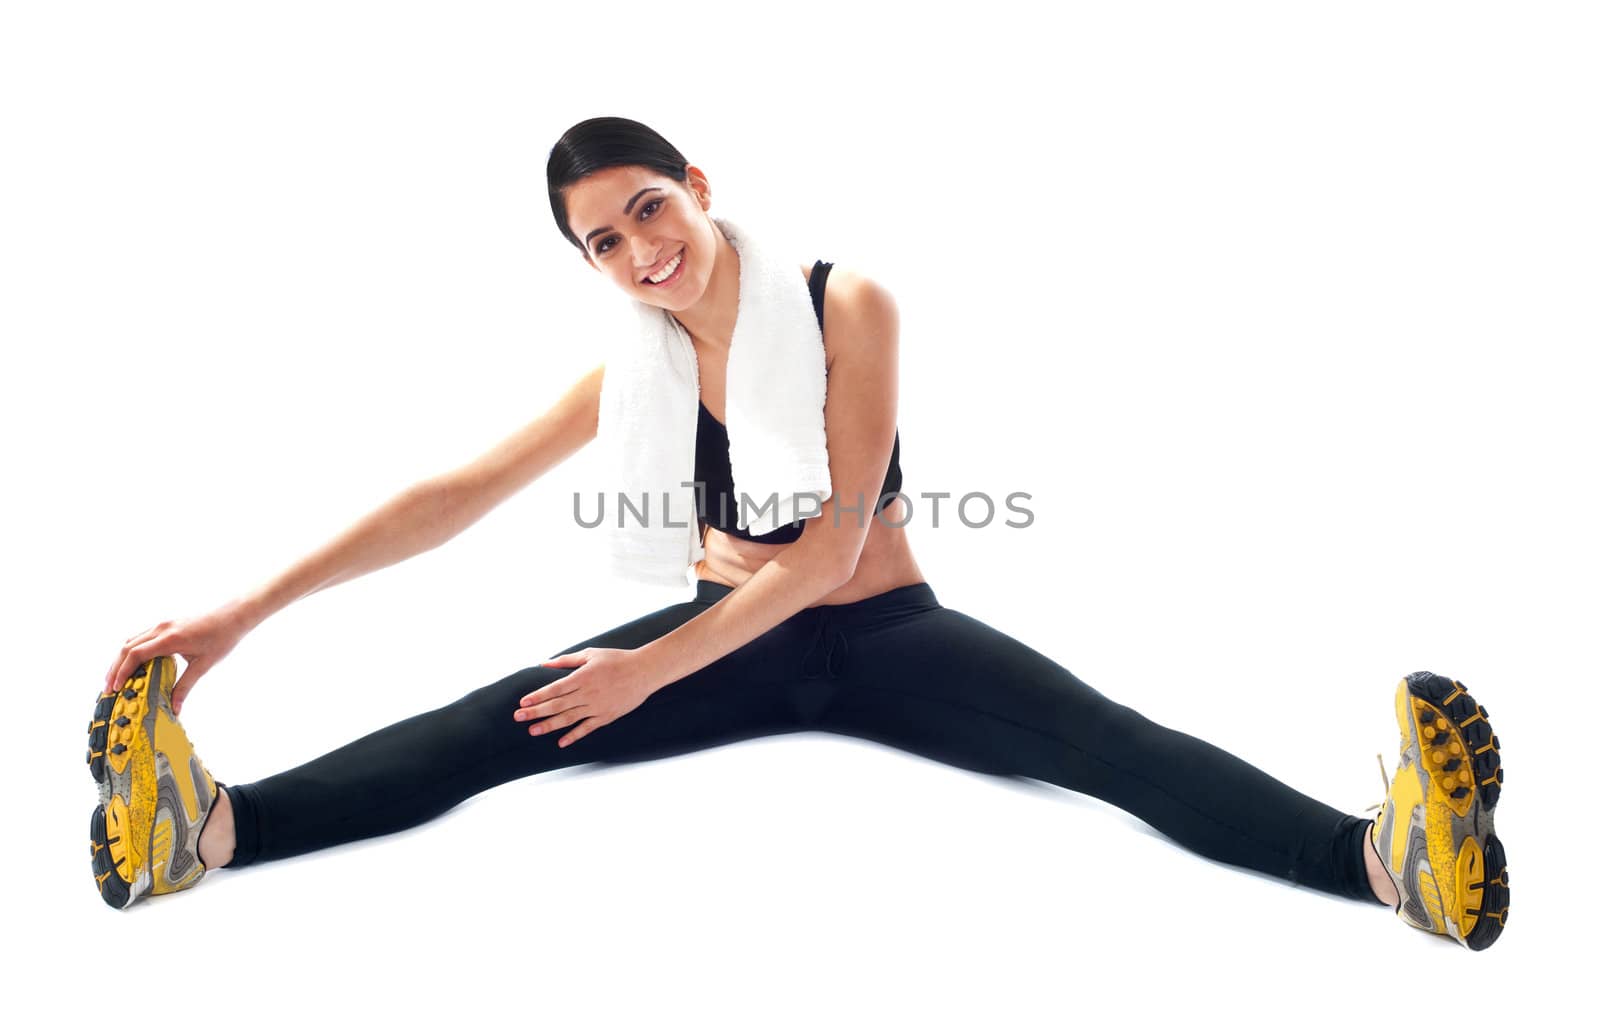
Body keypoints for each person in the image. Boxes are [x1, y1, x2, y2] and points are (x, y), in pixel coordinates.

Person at [84, 116, 1509, 950]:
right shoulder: (631, 365)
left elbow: (831, 548)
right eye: (605, 241)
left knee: (1109, 744)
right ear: (587, 263)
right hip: (728, 649)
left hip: (882, 634)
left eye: (651, 208)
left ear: (698, 189)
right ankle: (204, 833)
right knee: (490, 723)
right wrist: (242, 610)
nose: (644, 250)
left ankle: (1392, 865)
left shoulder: (847, 306)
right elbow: (448, 496)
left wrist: (644, 669)